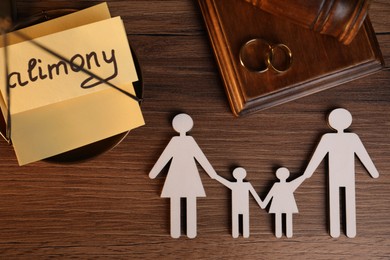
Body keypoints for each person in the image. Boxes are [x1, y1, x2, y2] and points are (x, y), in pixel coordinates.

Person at [303, 108, 379, 238]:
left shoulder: (330, 138)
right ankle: (343, 229)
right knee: (346, 198)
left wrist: (308, 173)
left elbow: (362, 154)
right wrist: (373, 172)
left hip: (338, 174)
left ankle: (339, 230)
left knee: (337, 198)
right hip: (342, 174)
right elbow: (362, 155)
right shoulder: (349, 138)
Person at [149, 113, 217, 239]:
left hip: (176, 175)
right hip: (189, 175)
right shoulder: (186, 141)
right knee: (189, 199)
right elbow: (200, 157)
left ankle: (179, 230)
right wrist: (211, 173)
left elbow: (165, 157)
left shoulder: (177, 141)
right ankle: (189, 230)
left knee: (177, 199)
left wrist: (154, 172)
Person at [215, 167, 263, 238]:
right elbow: (255, 195)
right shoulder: (243, 185)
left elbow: (221, 180)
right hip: (241, 206)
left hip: (238, 206)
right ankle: (242, 233)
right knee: (243, 218)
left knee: (238, 218)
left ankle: (238, 233)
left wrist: (215, 176)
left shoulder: (235, 185)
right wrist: (261, 203)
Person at [262, 167, 305, 238]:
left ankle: (281, 233)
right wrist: (304, 176)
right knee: (286, 217)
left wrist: (263, 203)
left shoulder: (280, 185)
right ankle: (287, 233)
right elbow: (299, 180)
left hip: (278, 204)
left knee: (279, 217)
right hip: (286, 204)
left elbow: (269, 195)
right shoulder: (288, 185)